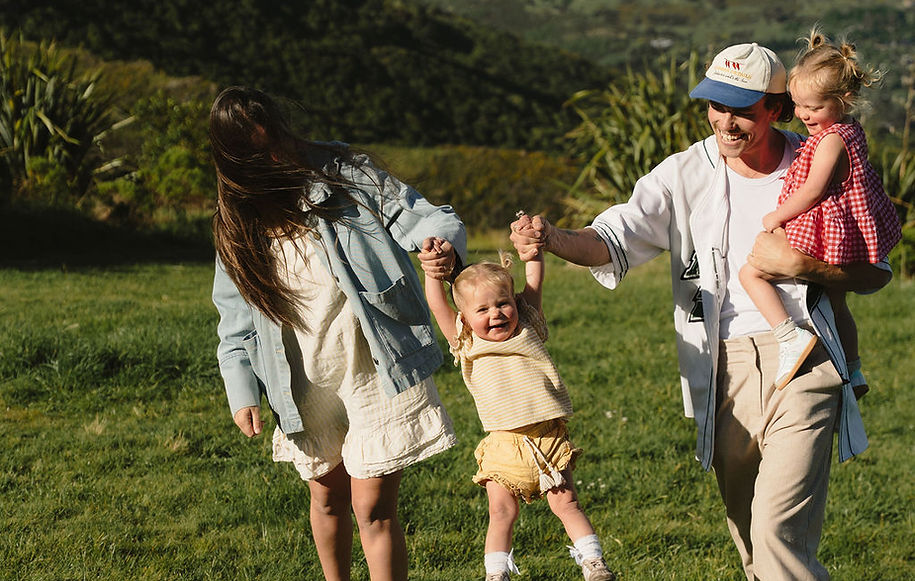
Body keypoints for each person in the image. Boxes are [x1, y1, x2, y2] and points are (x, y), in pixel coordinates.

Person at [510, 42, 892, 580]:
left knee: (776, 536)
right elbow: (612, 237)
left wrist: (807, 270)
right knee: (751, 544)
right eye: (715, 105)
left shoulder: (820, 165)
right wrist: (552, 237)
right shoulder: (685, 173)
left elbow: (877, 272)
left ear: (776, 109)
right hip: (721, 369)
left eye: (741, 108)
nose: (725, 121)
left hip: (806, 357)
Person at [209, 86, 466, 581]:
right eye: (260, 155)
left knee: (373, 504)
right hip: (301, 374)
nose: (276, 158)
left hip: (373, 360)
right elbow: (234, 317)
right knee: (327, 495)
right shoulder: (236, 223)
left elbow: (421, 214)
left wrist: (440, 245)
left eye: (276, 142)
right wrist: (241, 389)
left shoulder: (346, 171)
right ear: (237, 162)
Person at [421, 236, 616, 581]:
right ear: (464, 317)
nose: (496, 313)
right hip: (503, 447)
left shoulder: (528, 325)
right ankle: (496, 574)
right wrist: (433, 271)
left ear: (515, 302)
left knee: (567, 503)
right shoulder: (465, 341)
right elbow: (437, 304)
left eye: (502, 303)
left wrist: (533, 253)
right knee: (501, 512)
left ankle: (594, 564)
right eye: (482, 310)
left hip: (548, 440)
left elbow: (535, 282)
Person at [739, 29, 901, 395]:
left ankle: (788, 336)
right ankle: (855, 370)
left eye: (814, 108)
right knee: (837, 302)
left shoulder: (830, 140)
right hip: (840, 232)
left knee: (751, 273)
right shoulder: (848, 130)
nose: (803, 115)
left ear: (844, 100)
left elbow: (813, 190)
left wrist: (777, 217)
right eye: (799, 105)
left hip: (820, 230)